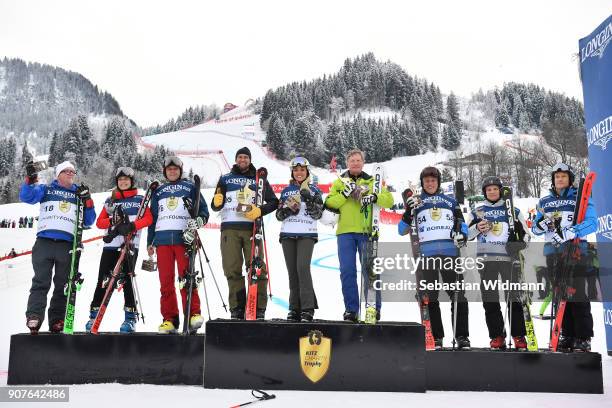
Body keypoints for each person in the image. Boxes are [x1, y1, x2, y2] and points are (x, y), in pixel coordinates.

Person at [19, 160, 96, 334]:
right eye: (66, 171)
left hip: (67, 245)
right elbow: (27, 197)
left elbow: (89, 221)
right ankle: (34, 316)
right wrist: (30, 180)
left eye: (72, 171)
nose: (70, 173)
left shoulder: (78, 193)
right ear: (58, 174)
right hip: (45, 242)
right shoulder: (46, 189)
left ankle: (57, 320)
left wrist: (88, 200)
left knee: (63, 285)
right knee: (40, 282)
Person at [398, 166, 470, 349]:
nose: (430, 184)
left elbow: (462, 225)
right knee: (431, 297)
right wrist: (408, 212)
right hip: (427, 255)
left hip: (450, 253)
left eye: (433, 180)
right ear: (422, 183)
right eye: (426, 181)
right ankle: (436, 337)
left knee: (458, 296)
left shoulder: (450, 201)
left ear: (438, 182)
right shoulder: (417, 201)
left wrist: (462, 234)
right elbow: (401, 230)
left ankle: (462, 336)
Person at [532, 162, 597, 352]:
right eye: (556, 177)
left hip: (576, 251)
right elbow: (535, 228)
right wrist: (541, 225)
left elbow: (593, 223)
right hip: (553, 253)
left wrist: (571, 232)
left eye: (563, 176)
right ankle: (566, 334)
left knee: (577, 295)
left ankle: (583, 337)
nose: (560, 179)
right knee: (560, 297)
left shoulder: (580, 198)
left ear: (570, 179)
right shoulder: (544, 202)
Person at [324, 149, 394, 322]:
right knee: (347, 271)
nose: (355, 163)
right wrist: (344, 193)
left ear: (363, 162)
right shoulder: (340, 182)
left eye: (358, 160)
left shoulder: (372, 181)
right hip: (345, 233)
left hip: (367, 232)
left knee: (370, 272)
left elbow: (389, 201)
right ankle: (351, 310)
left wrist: (374, 196)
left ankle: (373, 308)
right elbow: (330, 203)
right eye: (352, 160)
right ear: (347, 163)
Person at [211, 147, 279, 320]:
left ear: (249, 160)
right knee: (232, 270)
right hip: (229, 229)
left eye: (246, 157)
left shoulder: (259, 179)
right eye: (240, 157)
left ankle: (258, 308)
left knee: (258, 269)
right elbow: (215, 205)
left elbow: (274, 202)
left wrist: (260, 211)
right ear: (236, 159)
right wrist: (216, 202)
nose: (243, 160)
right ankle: (237, 308)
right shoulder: (225, 178)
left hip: (252, 229)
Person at [85, 167, 153, 333]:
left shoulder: (139, 200)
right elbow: (99, 223)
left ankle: (130, 319)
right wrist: (113, 220)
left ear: (131, 182)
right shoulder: (111, 200)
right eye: (120, 180)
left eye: (126, 180)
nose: (123, 182)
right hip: (110, 246)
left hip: (130, 245)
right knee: (103, 280)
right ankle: (93, 316)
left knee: (127, 280)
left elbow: (149, 219)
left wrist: (132, 225)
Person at [147, 156, 209, 334]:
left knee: (187, 279)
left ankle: (193, 314)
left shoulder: (190, 187)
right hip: (162, 241)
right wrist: (150, 242)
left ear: (180, 170)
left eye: (175, 169)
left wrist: (198, 221)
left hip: (185, 240)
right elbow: (153, 218)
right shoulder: (158, 191)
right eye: (169, 169)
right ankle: (170, 319)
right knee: (165, 282)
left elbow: (203, 212)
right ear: (165, 171)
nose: (172, 171)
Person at [467, 176, 530, 350]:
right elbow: (465, 235)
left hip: (509, 260)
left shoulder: (513, 211)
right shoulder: (477, 211)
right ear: (484, 192)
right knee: (490, 299)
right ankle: (496, 336)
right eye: (489, 190)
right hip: (486, 261)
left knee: (514, 298)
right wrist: (476, 228)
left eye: (495, 189)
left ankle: (518, 335)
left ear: (501, 190)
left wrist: (518, 242)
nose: (492, 192)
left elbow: (526, 235)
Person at [276, 157, 324, 322]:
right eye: (296, 170)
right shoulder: (286, 190)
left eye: (302, 170)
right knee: (292, 272)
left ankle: (307, 308)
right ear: (292, 172)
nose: (299, 173)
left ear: (307, 171)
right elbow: (279, 215)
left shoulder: (315, 190)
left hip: (307, 233)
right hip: (288, 234)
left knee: (302, 268)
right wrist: (288, 210)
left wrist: (309, 199)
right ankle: (294, 308)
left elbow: (318, 214)